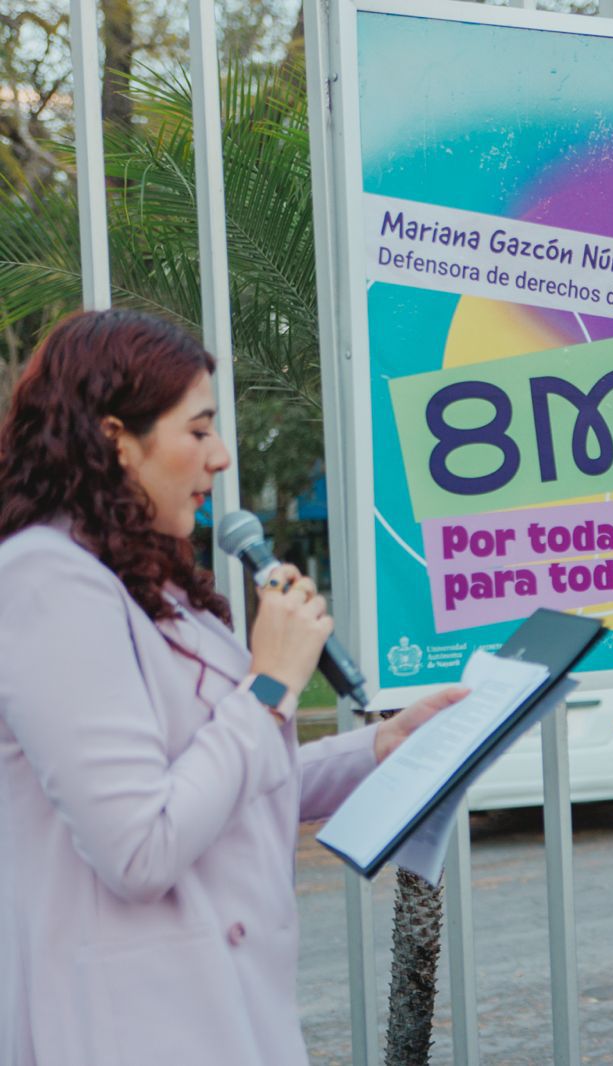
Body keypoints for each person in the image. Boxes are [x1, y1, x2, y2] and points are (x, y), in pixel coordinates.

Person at [0, 310, 465, 1066]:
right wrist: (271, 681)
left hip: (225, 1011)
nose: (220, 457)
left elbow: (223, 781)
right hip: (130, 1028)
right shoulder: (46, 583)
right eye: (199, 429)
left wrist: (379, 747)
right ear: (117, 438)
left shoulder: (157, 588)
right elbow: (142, 845)